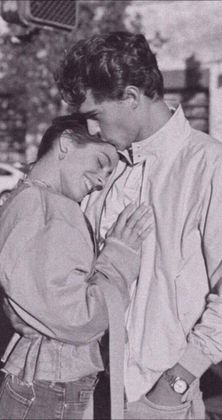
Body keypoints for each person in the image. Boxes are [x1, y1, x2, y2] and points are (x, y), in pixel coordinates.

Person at [54, 32, 222, 420]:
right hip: (83, 393)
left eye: (95, 115)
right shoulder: (103, 166)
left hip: (158, 399)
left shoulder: (213, 167)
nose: (94, 129)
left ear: (132, 97)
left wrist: (174, 387)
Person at [0, 115, 153, 420]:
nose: (100, 180)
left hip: (47, 381)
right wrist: (119, 256)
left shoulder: (37, 202)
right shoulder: (40, 208)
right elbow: (79, 319)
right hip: (49, 386)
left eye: (108, 174)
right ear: (66, 143)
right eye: (99, 162)